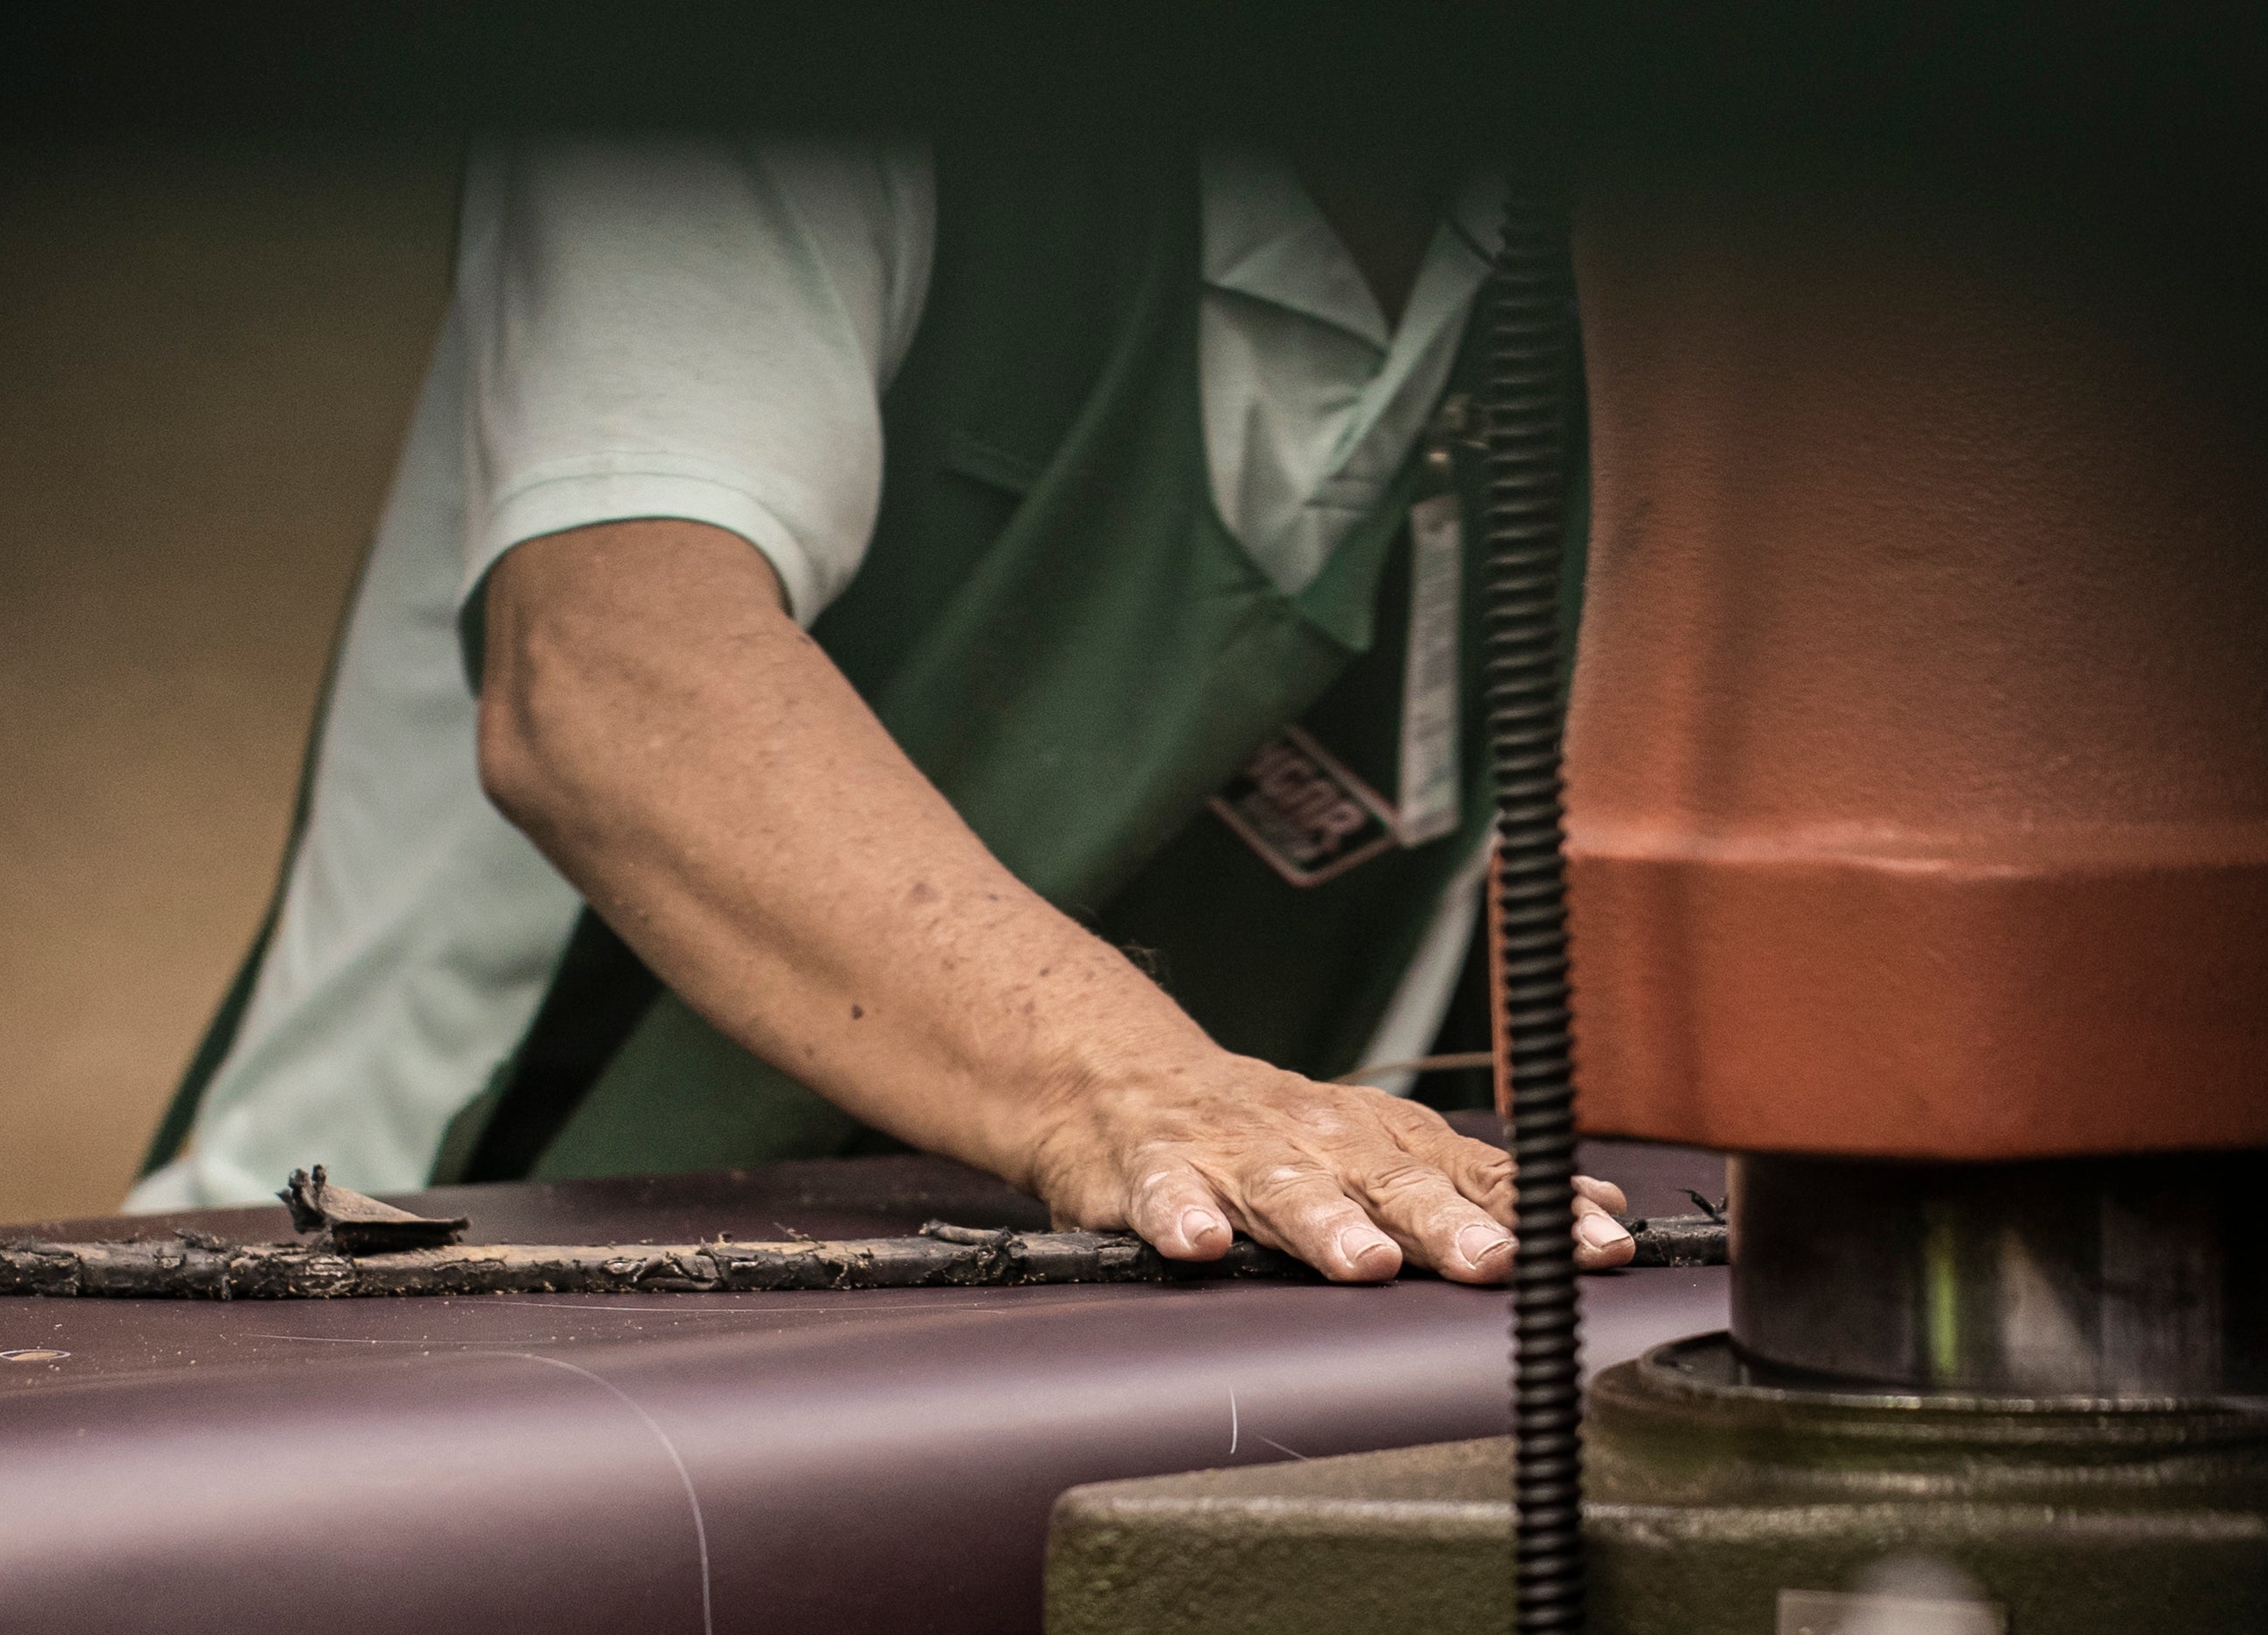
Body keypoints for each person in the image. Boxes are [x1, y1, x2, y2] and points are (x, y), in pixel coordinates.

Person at [131, 137, 1637, 1284]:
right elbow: (612, 668)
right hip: (405, 1287)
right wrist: (1144, 1087)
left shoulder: (1630, 261)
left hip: (1098, 1330)